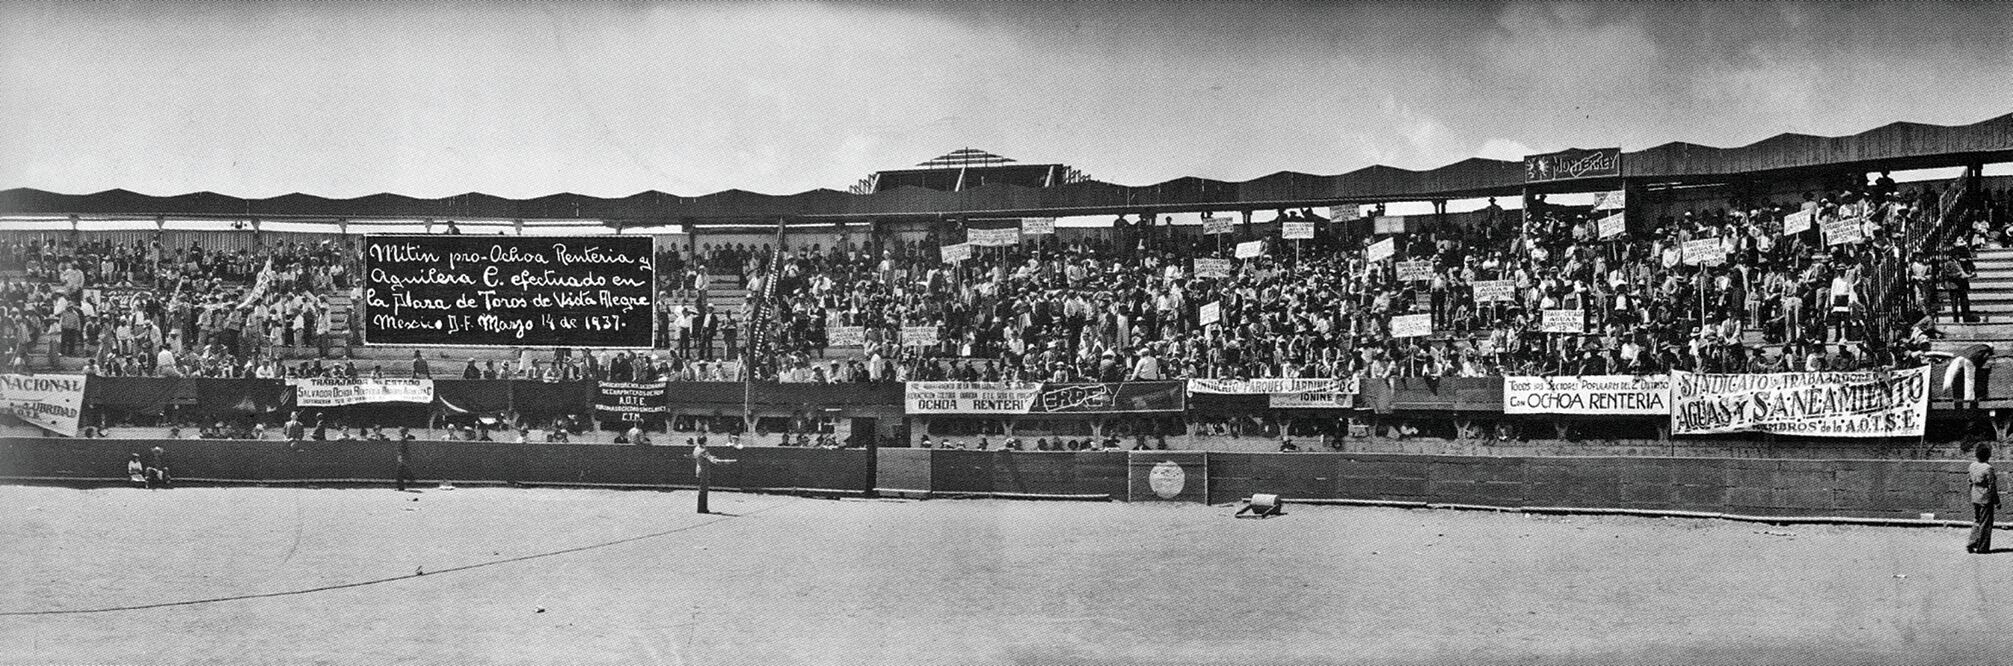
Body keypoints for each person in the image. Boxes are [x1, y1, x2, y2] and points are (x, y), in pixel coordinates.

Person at [691, 438, 737, 514]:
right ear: (704, 442)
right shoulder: (703, 450)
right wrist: (725, 462)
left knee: (702, 490)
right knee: (703, 490)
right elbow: (713, 460)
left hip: (699, 470)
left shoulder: (696, 448)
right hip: (704, 472)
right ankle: (702, 509)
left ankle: (701, 508)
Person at [1971, 444, 1999, 554]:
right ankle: (1982, 547)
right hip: (1985, 498)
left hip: (1975, 496)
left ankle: (1972, 542)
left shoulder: (1972, 465)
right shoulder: (1988, 468)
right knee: (1986, 523)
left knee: (1977, 520)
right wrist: (1997, 501)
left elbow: (1969, 481)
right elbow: (1992, 486)